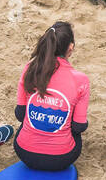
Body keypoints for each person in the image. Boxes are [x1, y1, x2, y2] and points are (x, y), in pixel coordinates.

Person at [13, 22, 89, 171]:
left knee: (27, 121)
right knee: (74, 125)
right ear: (71, 47)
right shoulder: (80, 79)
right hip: (61, 158)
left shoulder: (30, 68)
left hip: (24, 153)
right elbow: (79, 127)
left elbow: (20, 114)